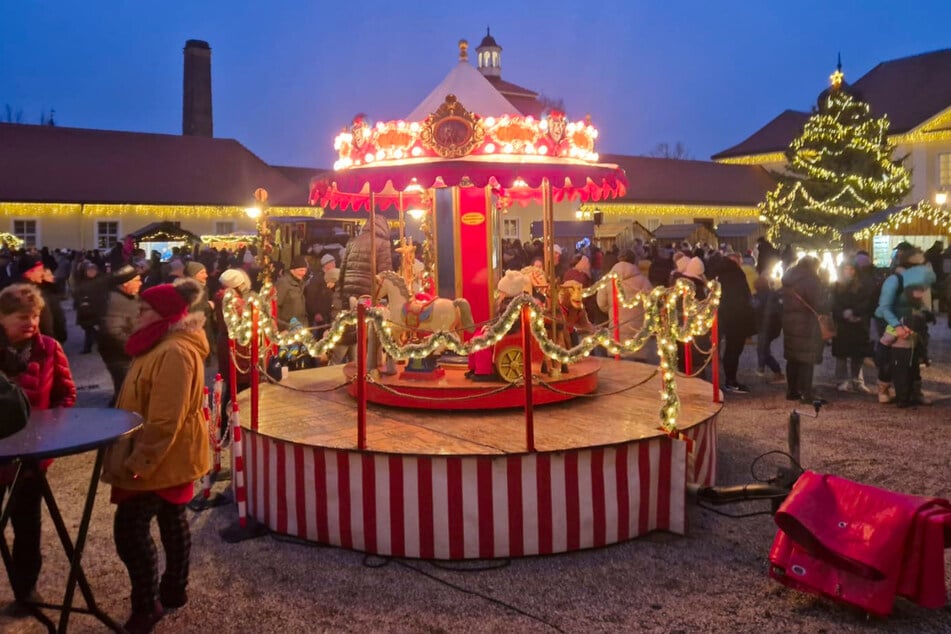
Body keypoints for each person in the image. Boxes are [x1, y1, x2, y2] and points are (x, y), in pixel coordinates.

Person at [101, 279, 210, 633]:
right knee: (171, 517)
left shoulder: (174, 351)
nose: (138, 314)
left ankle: (147, 606)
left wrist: (140, 464)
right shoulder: (160, 343)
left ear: (162, 314)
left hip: (160, 457)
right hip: (171, 455)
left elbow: (166, 419)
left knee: (130, 531)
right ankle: (174, 590)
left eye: (145, 309)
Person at [0, 284, 76, 612]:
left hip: (29, 458)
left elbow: (65, 393)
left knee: (28, 527)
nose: (31, 322)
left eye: (35, 315)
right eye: (22, 317)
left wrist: (48, 433)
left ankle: (25, 590)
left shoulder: (48, 348)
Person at [781, 255, 827, 403]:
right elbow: (819, 302)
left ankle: (792, 390)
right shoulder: (811, 280)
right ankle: (807, 393)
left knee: (793, 358)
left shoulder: (788, 278)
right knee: (807, 358)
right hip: (807, 323)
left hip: (790, 322)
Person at [596, 249, 654, 361]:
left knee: (618, 370)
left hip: (617, 330)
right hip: (638, 332)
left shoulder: (609, 280)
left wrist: (612, 308)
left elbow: (601, 303)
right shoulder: (643, 280)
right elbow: (651, 304)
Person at [830, 260, 876, 393]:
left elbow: (867, 303)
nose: (848, 272)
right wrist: (843, 313)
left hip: (858, 323)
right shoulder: (836, 286)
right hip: (843, 324)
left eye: (851, 269)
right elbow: (833, 303)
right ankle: (841, 380)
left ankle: (857, 381)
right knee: (842, 355)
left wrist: (855, 312)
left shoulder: (862, 286)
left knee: (858, 355)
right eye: (846, 269)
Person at [99, 265, 142, 405]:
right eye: (137, 280)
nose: (140, 283)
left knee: (124, 388)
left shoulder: (129, 296)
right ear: (125, 283)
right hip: (119, 355)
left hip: (124, 353)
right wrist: (134, 348)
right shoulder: (115, 301)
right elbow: (114, 331)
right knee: (125, 390)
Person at [715, 253, 756, 393]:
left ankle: (730, 380)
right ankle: (731, 381)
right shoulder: (735, 274)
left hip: (727, 316)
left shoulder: (722, 273)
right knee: (733, 350)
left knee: (731, 350)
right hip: (737, 317)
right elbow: (742, 295)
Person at [753, 255, 784, 383]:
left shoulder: (759, 297)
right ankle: (761, 368)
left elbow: (755, 308)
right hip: (772, 327)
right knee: (763, 349)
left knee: (763, 350)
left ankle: (776, 371)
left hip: (766, 326)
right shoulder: (772, 294)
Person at [73, 261, 107, 354]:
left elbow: (104, 295)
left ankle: (88, 347)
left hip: (97, 309)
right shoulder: (81, 281)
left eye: (93, 270)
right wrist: (78, 304)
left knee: (92, 329)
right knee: (88, 328)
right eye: (89, 271)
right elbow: (77, 294)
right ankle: (94, 342)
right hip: (85, 310)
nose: (91, 272)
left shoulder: (100, 281)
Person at [275, 254, 310, 329]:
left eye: (305, 270)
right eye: (301, 270)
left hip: (300, 327)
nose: (303, 273)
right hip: (287, 328)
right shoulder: (283, 283)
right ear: (293, 270)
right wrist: (280, 327)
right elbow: (276, 306)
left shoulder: (301, 284)